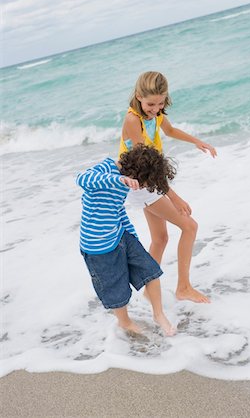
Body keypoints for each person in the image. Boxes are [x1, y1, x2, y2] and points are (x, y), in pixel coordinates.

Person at [119, 71, 217, 303]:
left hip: (150, 181)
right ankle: (183, 288)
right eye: (151, 104)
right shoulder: (133, 120)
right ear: (138, 96)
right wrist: (174, 197)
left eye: (161, 103)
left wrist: (197, 141)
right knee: (190, 226)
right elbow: (147, 166)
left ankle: (147, 290)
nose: (156, 109)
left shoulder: (155, 113)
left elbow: (170, 130)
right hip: (141, 182)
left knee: (160, 238)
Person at [77, 144, 177, 336]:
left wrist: (131, 235)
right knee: (117, 290)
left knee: (151, 271)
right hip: (97, 245)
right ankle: (125, 322)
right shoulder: (106, 168)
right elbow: (82, 179)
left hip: (121, 233)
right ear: (135, 173)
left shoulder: (126, 181)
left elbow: (118, 208)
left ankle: (159, 314)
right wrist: (118, 179)